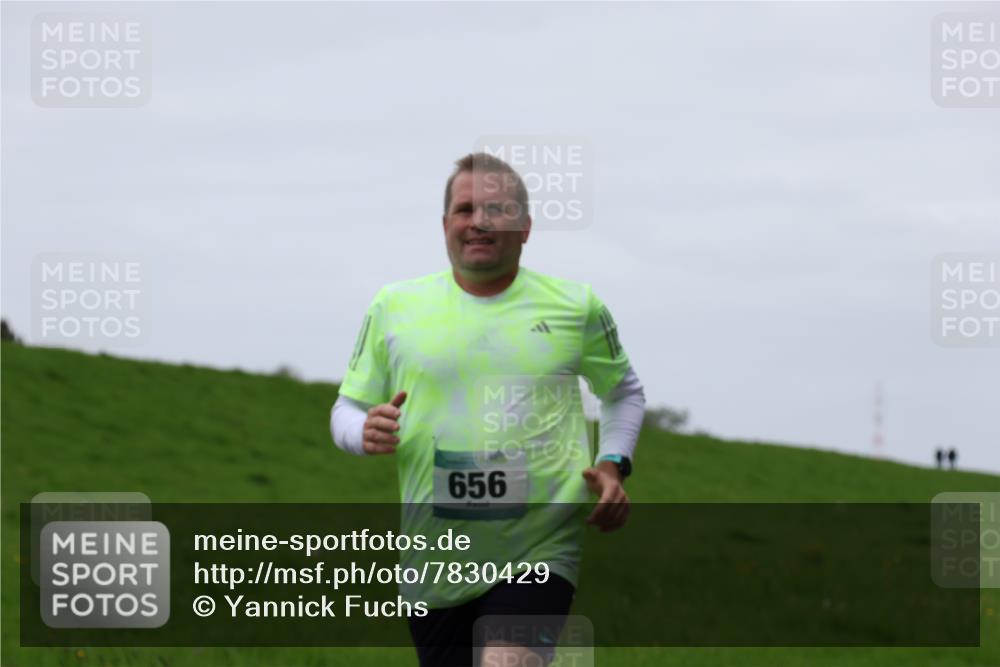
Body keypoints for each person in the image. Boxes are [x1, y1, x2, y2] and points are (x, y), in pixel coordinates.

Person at [330, 152, 645, 667]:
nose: (478, 221)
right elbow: (345, 408)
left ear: (525, 227)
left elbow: (623, 392)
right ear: (445, 224)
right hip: (434, 559)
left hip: (539, 548)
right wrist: (361, 431)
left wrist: (613, 464)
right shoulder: (394, 306)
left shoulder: (575, 307)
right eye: (464, 209)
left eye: (496, 209)